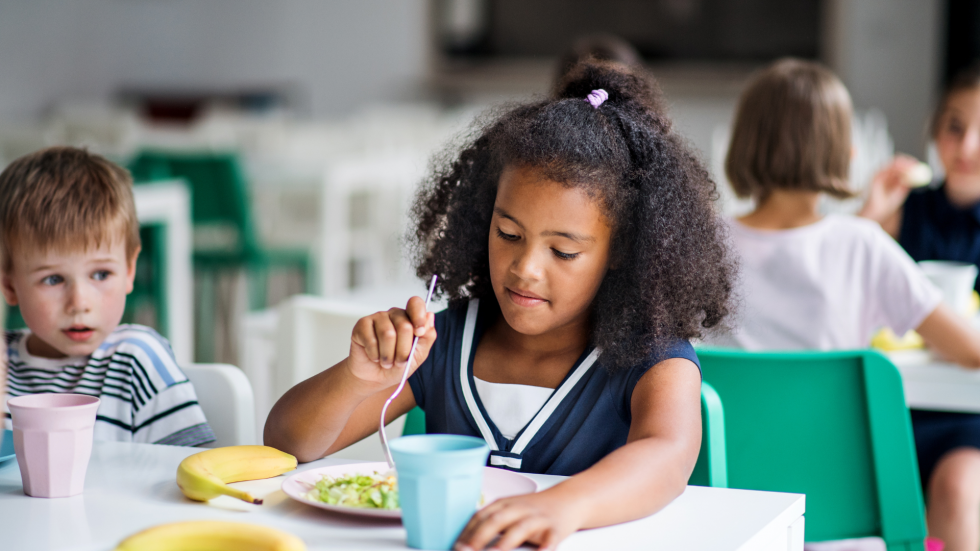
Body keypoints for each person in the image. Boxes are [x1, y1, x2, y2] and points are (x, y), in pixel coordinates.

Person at [265, 61, 736, 551]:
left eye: (563, 251)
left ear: (620, 250)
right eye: (508, 234)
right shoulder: (444, 342)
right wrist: (357, 379)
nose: (526, 268)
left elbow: (667, 455)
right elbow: (287, 443)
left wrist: (563, 505)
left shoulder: (651, 356)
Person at [710, 58, 980, 551]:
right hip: (842, 525)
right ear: (846, 153)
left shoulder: (703, 243)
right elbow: (970, 349)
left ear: (742, 144)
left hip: (729, 516)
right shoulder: (863, 245)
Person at [0, 147, 215, 447]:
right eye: (53, 279)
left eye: (101, 274)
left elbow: (192, 471)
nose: (80, 303)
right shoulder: (3, 366)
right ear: (9, 286)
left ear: (129, 270)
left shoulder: (137, 361)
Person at [861, 61, 980, 291]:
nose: (966, 147)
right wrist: (872, 211)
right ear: (935, 130)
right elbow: (836, 267)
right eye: (955, 127)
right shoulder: (904, 211)